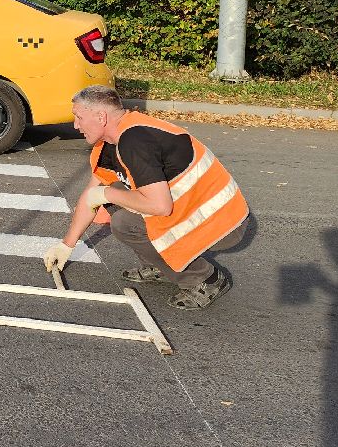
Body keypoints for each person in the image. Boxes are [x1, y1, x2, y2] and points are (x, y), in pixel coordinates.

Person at [44, 85, 249, 310]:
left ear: (101, 117)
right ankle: (161, 264)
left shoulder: (135, 141)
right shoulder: (110, 142)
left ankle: (205, 280)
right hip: (196, 210)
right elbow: (90, 197)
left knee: (124, 222)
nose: (75, 125)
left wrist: (105, 194)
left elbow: (160, 206)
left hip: (222, 221)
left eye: (79, 117)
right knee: (113, 194)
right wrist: (66, 245)